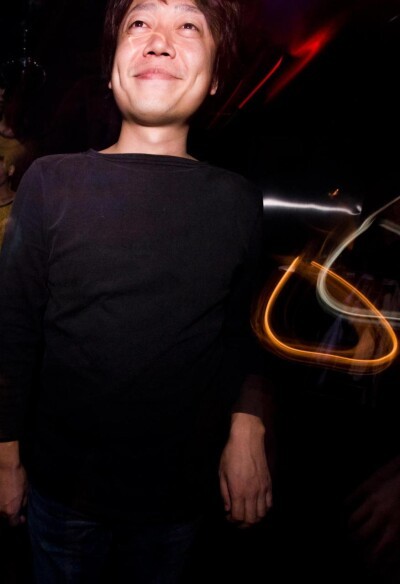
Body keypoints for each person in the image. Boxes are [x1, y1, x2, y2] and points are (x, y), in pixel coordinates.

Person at [0, 1, 273, 582]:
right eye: (140, 23)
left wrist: (248, 423)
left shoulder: (238, 202)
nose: (159, 40)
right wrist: (5, 455)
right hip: (63, 493)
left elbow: (243, 333)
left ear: (216, 75)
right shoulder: (51, 182)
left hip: (176, 500)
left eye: (189, 25)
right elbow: (12, 331)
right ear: (111, 66)